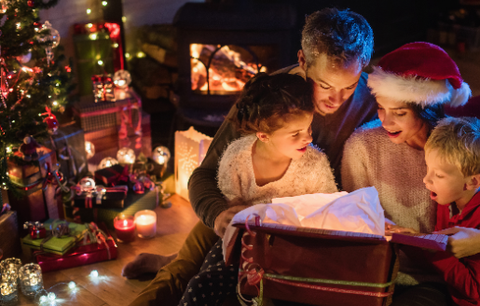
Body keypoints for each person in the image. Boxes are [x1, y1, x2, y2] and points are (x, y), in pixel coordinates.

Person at [127, 8, 376, 306]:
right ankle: (173, 265)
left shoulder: (371, 102)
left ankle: (174, 260)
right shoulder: (270, 98)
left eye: (348, 86)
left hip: (299, 229)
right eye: (324, 85)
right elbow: (204, 176)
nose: (336, 99)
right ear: (302, 61)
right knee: (183, 276)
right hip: (249, 213)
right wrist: (219, 214)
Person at [180, 73, 337, 305]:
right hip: (244, 244)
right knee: (202, 284)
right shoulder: (237, 158)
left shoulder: (314, 164)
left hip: (293, 252)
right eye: (296, 134)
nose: (308, 137)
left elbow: (330, 210)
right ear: (263, 135)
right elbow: (232, 214)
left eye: (308, 127)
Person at [341, 42, 472, 305]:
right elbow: (353, 219)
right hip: (373, 273)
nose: (385, 121)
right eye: (380, 108)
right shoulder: (362, 146)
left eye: (399, 113)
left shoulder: (460, 148)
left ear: (427, 109)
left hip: (437, 279)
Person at [420, 116, 480, 305]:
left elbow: (474, 292)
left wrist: (435, 251)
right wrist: (407, 239)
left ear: (472, 182)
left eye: (438, 175)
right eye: (427, 168)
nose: (426, 180)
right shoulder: (446, 202)